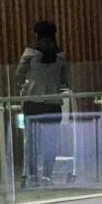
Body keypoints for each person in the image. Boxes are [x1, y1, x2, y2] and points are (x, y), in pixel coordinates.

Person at [15, 19, 71, 185]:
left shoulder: (30, 53)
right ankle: (47, 175)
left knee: (31, 141)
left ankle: (32, 175)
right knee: (51, 141)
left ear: (37, 34)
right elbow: (65, 81)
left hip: (32, 103)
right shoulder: (60, 55)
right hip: (53, 104)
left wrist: (26, 83)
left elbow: (18, 74)